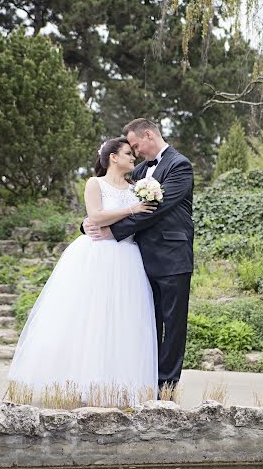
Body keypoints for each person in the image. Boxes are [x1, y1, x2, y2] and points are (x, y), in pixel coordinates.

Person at [8, 137, 158, 405]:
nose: (133, 157)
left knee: (124, 318)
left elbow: (141, 219)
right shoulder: (94, 183)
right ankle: (81, 383)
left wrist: (134, 208)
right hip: (96, 254)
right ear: (113, 157)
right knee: (89, 316)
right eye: (127, 153)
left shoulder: (137, 186)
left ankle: (120, 386)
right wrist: (132, 208)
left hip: (127, 257)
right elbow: (96, 216)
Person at [84, 119, 194, 393]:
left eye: (135, 146)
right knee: (147, 324)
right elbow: (118, 200)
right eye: (130, 150)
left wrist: (113, 232)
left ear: (148, 135)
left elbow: (156, 208)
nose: (134, 153)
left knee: (173, 325)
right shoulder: (141, 169)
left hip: (173, 258)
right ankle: (145, 383)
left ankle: (166, 388)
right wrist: (89, 224)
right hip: (141, 260)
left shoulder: (180, 165)